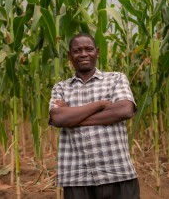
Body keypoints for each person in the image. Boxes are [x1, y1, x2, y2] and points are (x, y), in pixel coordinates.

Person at [48, 33, 140, 199]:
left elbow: (125, 110)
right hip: (76, 176)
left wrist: (74, 119)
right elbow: (59, 119)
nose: (83, 54)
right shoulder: (60, 88)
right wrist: (100, 105)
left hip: (117, 172)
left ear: (97, 52)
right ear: (69, 56)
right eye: (77, 50)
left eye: (88, 49)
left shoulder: (116, 79)